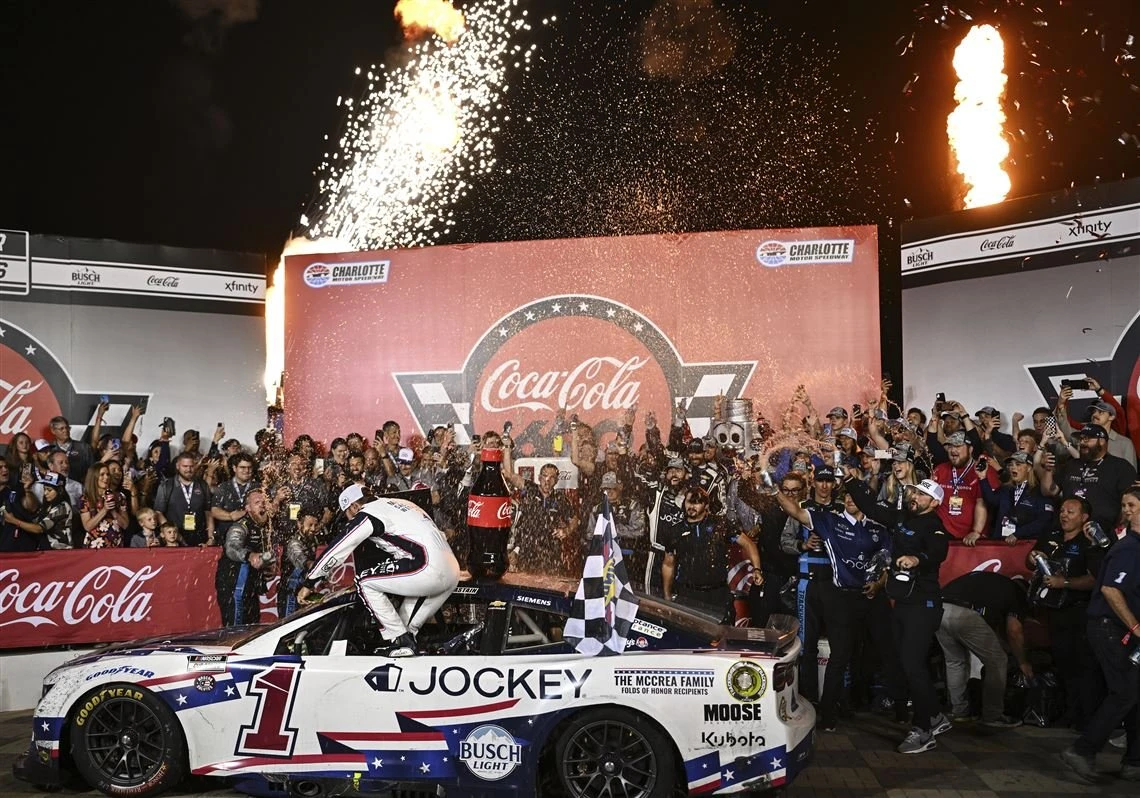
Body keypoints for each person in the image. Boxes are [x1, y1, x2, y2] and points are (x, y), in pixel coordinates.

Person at [774, 486, 906, 732]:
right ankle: (828, 716)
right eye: (846, 496)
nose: (850, 499)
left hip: (874, 598)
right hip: (843, 598)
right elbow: (795, 511)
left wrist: (878, 584)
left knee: (888, 652)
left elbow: (888, 564)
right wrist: (773, 489)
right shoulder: (830, 521)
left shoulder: (878, 528)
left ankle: (902, 711)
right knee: (839, 657)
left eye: (855, 496)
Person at [846, 474, 950, 754]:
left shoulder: (935, 526)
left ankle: (923, 730)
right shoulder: (902, 517)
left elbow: (939, 552)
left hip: (924, 604)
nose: (915, 497)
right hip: (903, 602)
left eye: (922, 495)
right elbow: (871, 508)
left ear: (934, 502)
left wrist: (918, 558)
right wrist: (851, 480)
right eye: (914, 492)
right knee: (905, 663)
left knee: (912, 665)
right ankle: (935, 715)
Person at [297, 486, 461, 657]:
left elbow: (339, 548)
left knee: (363, 581)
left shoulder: (368, 513)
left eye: (346, 514)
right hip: (451, 570)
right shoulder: (402, 503)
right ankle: (404, 647)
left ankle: (398, 639)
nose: (348, 520)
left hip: (426, 567)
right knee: (405, 631)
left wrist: (310, 582)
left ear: (354, 506)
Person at [1060, 487, 1140, 782]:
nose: (1127, 509)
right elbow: (1110, 589)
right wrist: (1135, 627)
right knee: (1125, 692)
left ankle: (1135, 761)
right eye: (1125, 504)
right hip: (1110, 627)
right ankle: (1082, 750)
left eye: (1132, 505)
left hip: (1121, 628)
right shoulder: (1129, 548)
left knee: (1134, 692)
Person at [1028, 496, 1104, 731]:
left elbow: (1096, 580)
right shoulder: (1051, 536)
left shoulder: (1089, 543)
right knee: (1063, 665)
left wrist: (1065, 583)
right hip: (1055, 612)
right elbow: (1030, 561)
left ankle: (1089, 720)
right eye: (1062, 510)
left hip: (1080, 612)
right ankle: (1070, 714)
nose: (1064, 515)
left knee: (1085, 668)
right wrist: (1032, 557)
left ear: (1084, 517)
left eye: (1071, 512)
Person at [937, 571, 1032, 728]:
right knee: (998, 661)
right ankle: (993, 716)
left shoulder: (993, 583)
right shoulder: (1017, 593)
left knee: (955, 662)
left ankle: (960, 712)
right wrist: (1023, 662)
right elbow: (1014, 630)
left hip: (937, 609)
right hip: (964, 613)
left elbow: (991, 631)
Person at [660, 486, 762, 622]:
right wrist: (667, 595)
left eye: (697, 502)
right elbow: (668, 564)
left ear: (706, 505)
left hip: (717, 593)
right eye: (689, 501)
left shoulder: (720, 525)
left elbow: (749, 544)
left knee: (722, 631)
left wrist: (757, 569)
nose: (692, 506)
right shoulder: (675, 531)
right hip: (688, 593)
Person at [1041, 424, 1136, 535]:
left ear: (1101, 441)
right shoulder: (1070, 464)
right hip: (1068, 531)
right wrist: (1048, 470)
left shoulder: (1120, 467)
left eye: (1087, 439)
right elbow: (1048, 491)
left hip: (1102, 531)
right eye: (1081, 439)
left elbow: (1130, 502)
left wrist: (1119, 529)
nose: (1082, 442)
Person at [215, 488, 274, 627]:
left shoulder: (266, 528)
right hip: (234, 586)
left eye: (264, 502)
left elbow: (266, 555)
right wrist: (249, 555)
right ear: (248, 508)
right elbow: (231, 547)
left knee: (252, 627)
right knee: (235, 629)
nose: (262, 505)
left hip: (250, 588)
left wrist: (267, 567)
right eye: (257, 503)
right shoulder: (241, 526)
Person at [979, 452, 1054, 543]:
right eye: (1011, 465)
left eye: (1018, 464)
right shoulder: (1006, 488)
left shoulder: (1039, 492)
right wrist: (982, 477)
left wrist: (1018, 534)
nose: (1013, 468)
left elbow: (1043, 521)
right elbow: (991, 500)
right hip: (1000, 543)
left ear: (1029, 468)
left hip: (1024, 544)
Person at [153, 452, 215, 547]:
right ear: (178, 466)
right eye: (185, 466)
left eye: (191, 466)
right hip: (175, 538)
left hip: (199, 536)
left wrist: (210, 537)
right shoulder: (166, 486)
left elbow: (208, 513)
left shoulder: (202, 485)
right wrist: (171, 531)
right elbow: (158, 512)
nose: (188, 470)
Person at [278, 512, 319, 619]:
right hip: (290, 593)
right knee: (289, 625)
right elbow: (303, 561)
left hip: (303, 590)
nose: (313, 529)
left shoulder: (313, 541)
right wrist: (320, 567)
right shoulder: (293, 543)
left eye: (315, 525)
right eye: (310, 525)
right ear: (299, 524)